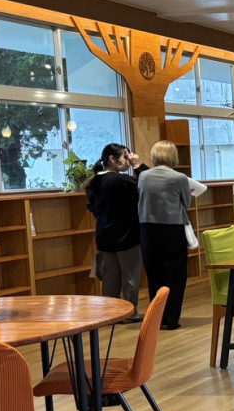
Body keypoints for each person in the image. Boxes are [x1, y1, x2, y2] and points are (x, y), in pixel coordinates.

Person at [138, 140, 205, 331]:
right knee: (175, 274)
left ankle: (156, 319)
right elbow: (186, 203)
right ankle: (172, 318)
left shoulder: (143, 176)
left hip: (147, 229)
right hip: (172, 229)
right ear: (173, 156)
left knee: (154, 274)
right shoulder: (179, 178)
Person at [84, 143, 147, 321]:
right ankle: (130, 313)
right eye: (125, 157)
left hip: (105, 236)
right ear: (112, 159)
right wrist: (137, 165)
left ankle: (111, 314)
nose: (128, 161)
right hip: (127, 235)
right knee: (130, 277)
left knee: (110, 278)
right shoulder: (119, 181)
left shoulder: (92, 182)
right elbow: (148, 182)